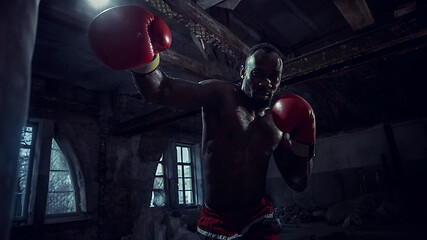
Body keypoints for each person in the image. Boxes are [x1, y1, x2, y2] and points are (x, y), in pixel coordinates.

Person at [89, 6, 316, 240]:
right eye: (257, 74)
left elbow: (298, 181)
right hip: (215, 219)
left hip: (257, 219)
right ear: (243, 72)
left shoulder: (278, 121)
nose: (265, 83)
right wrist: (142, 61)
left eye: (273, 77)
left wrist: (305, 137)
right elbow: (161, 89)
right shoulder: (221, 95)